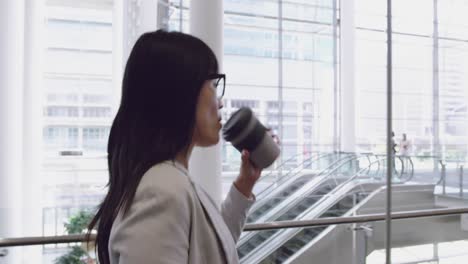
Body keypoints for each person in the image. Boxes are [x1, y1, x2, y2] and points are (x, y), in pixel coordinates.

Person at [87, 30, 273, 264]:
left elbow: (209, 249)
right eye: (213, 84)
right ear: (181, 92)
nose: (221, 102)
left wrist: (245, 183)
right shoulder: (161, 190)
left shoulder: (168, 179)